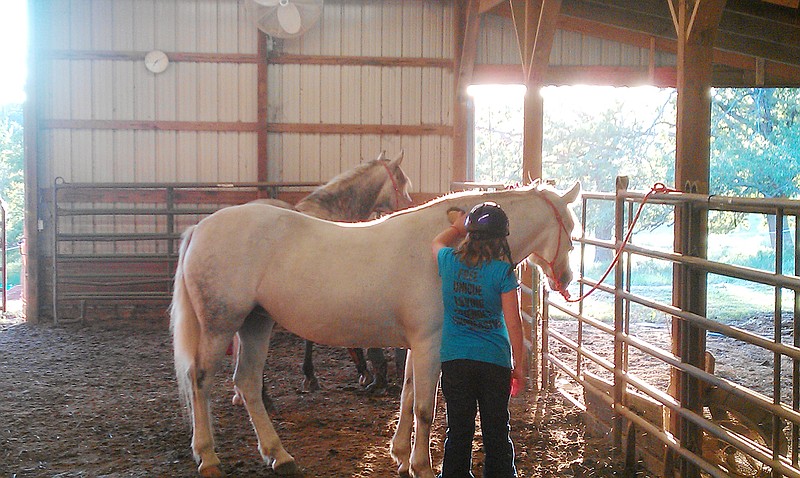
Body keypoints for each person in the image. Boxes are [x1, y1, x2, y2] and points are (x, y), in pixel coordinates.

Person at [432, 203, 526, 478]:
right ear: (501, 237)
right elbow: (513, 323)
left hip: (455, 359)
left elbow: (436, 242)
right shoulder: (503, 272)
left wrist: (456, 227)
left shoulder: (448, 260)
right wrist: (519, 365)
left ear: (470, 234)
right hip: (493, 362)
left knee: (459, 429)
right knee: (496, 429)